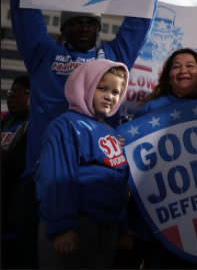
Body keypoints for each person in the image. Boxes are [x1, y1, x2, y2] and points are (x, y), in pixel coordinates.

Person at [10, 0, 156, 268]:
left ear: (98, 26)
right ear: (65, 26)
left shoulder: (114, 57)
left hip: (99, 189)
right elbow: (23, 11)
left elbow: (140, 20)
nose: (84, 27)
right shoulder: (44, 54)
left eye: (90, 22)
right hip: (46, 178)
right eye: (75, 22)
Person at [128, 48, 197, 268]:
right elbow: (137, 169)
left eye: (190, 65)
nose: (183, 70)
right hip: (163, 219)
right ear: (168, 75)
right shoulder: (151, 109)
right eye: (176, 66)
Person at [34, 59, 130, 268]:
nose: (110, 96)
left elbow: (119, 184)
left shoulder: (111, 132)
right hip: (75, 225)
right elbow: (56, 178)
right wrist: (62, 228)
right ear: (83, 85)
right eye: (102, 88)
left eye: (116, 92)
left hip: (107, 228)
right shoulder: (64, 125)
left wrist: (122, 228)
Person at [1, 75, 30, 269]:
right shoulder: (6, 122)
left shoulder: (35, 126)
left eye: (18, 92)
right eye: (10, 92)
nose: (11, 97)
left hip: (18, 210)